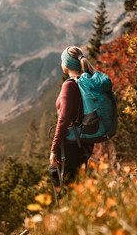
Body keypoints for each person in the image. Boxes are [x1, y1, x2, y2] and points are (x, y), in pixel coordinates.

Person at [49, 46, 95, 198]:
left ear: (67, 65)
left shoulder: (69, 85)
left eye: (62, 61)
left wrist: (54, 149)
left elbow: (63, 119)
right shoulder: (86, 82)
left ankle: (64, 218)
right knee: (76, 183)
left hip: (71, 144)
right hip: (85, 141)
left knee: (56, 175)